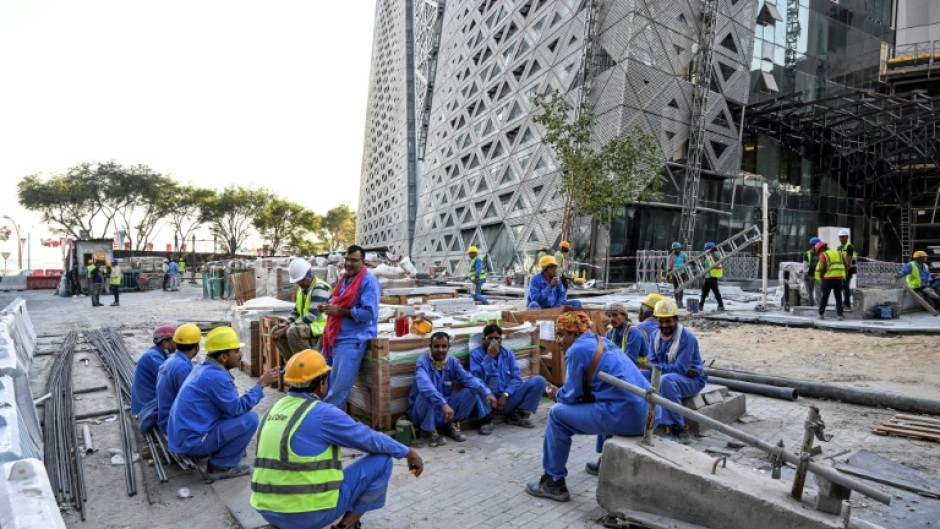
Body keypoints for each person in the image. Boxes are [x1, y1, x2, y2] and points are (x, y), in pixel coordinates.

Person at [251, 349, 424, 529]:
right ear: (321, 383)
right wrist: (408, 452)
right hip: (306, 516)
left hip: (267, 510)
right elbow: (368, 438)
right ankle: (345, 526)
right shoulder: (322, 413)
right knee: (382, 460)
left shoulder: (274, 409)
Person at [525, 311, 657, 502]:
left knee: (556, 415)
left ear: (574, 334)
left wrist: (555, 393)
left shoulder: (577, 350)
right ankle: (606, 461)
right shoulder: (601, 340)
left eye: (561, 334)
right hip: (648, 414)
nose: (558, 341)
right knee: (605, 397)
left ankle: (554, 482)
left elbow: (570, 396)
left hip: (628, 417)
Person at [168, 326, 280, 480]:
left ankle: (224, 452)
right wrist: (261, 384)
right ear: (223, 357)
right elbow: (237, 408)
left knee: (238, 419)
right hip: (191, 443)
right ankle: (220, 467)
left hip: (183, 437)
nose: (240, 355)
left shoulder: (204, 368)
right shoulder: (216, 377)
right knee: (250, 419)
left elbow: (228, 406)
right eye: (236, 351)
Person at [318, 245, 381, 408]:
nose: (349, 263)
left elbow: (369, 313)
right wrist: (327, 307)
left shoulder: (368, 281)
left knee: (338, 389)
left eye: (354, 260)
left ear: (363, 262)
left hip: (351, 340)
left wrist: (340, 311)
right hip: (334, 337)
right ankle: (328, 417)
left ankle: (327, 423)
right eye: (347, 259)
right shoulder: (345, 278)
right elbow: (336, 300)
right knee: (324, 381)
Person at [408, 332, 496, 447]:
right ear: (430, 347)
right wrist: (443, 404)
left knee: (472, 390)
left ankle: (451, 424)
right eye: (436, 346)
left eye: (444, 346)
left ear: (449, 348)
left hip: (444, 412)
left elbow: (468, 378)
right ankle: (428, 430)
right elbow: (425, 386)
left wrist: (487, 392)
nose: (440, 350)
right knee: (427, 393)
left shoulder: (453, 362)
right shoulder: (422, 362)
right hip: (422, 412)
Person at [643, 299, 707, 444]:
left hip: (692, 380)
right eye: (661, 321)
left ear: (676, 320)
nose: (664, 325)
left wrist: (655, 366)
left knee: (667, 381)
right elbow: (652, 361)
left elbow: (679, 369)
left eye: (668, 321)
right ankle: (643, 418)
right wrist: (655, 366)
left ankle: (678, 427)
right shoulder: (655, 336)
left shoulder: (687, 338)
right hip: (669, 375)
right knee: (639, 376)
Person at [470, 324, 547, 435]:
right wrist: (489, 357)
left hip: (505, 401)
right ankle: (486, 421)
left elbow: (516, 378)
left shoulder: (507, 353)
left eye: (497, 338)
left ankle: (516, 415)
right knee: (474, 389)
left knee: (539, 381)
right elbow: (477, 379)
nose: (494, 341)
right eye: (490, 338)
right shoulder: (475, 354)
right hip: (487, 401)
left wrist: (506, 394)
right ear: (483, 339)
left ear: (501, 339)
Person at [273, 258, 332, 362]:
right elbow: (296, 311)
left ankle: (310, 364)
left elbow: (311, 316)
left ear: (309, 275)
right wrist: (285, 323)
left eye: (301, 280)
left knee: (292, 332)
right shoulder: (302, 289)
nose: (299, 283)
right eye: (297, 281)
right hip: (309, 325)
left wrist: (287, 328)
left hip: (320, 327)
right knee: (275, 330)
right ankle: (293, 363)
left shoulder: (319, 288)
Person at [155, 323, 201, 434]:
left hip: (164, 418)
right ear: (196, 347)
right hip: (173, 425)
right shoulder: (183, 368)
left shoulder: (170, 361)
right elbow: (190, 403)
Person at [131, 324, 178, 415]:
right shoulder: (153, 357)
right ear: (165, 342)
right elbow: (170, 381)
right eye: (175, 340)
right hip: (146, 407)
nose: (177, 344)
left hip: (150, 402)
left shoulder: (161, 354)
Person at [604, 302, 649, 367]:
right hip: (621, 367)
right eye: (609, 316)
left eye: (615, 315)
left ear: (625, 316)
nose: (611, 319)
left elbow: (630, 360)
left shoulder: (633, 332)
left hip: (639, 370)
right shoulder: (609, 333)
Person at [815, 241, 845, 320]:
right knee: (838, 297)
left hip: (828, 279)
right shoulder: (838, 253)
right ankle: (840, 315)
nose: (819, 254)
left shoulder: (824, 254)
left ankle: (821, 314)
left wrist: (821, 276)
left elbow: (822, 267)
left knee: (824, 296)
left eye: (819, 252)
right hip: (839, 278)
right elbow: (845, 263)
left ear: (821, 250)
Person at [699, 242, 725, 311]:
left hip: (712, 276)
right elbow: (704, 265)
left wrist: (712, 252)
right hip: (707, 276)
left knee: (716, 292)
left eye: (706, 248)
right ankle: (700, 305)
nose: (705, 250)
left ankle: (721, 306)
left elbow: (717, 259)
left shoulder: (715, 254)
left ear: (710, 248)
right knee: (704, 292)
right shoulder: (707, 255)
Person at [837, 229, 856, 310]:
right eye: (840, 237)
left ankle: (847, 304)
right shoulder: (839, 247)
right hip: (841, 270)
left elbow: (849, 261)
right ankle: (844, 302)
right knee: (842, 287)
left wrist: (846, 272)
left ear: (847, 237)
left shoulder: (849, 247)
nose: (841, 239)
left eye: (843, 237)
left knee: (845, 286)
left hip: (848, 270)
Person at [667, 242, 687, 307]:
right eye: (674, 249)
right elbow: (669, 266)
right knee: (675, 287)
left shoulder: (684, 255)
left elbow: (686, 263)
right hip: (674, 273)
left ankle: (680, 302)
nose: (675, 250)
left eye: (676, 249)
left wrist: (686, 273)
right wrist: (668, 273)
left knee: (681, 287)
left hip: (682, 272)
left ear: (679, 248)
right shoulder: (671, 256)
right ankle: (676, 302)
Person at [803, 236, 820, 306]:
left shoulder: (822, 253)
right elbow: (805, 265)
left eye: (815, 245)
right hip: (809, 275)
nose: (813, 246)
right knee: (810, 291)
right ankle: (811, 303)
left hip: (818, 276)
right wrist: (805, 273)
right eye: (812, 245)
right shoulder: (807, 253)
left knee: (818, 291)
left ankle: (819, 304)